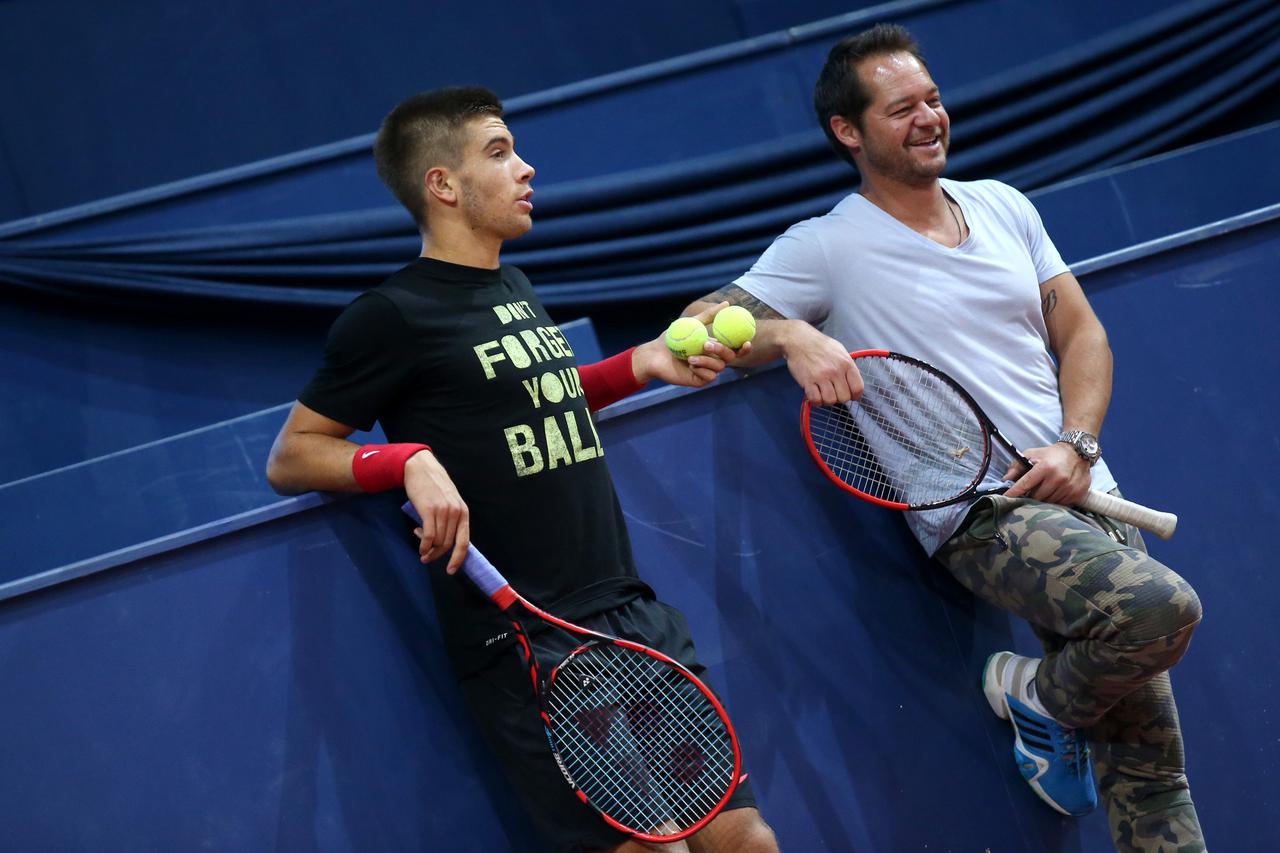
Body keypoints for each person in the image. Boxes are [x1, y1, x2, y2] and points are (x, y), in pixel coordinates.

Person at [684, 24, 1205, 852]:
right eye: (902, 110)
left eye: (932, 100)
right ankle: (1037, 695)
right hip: (982, 515)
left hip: (1080, 486)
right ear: (848, 133)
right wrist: (788, 338)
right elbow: (695, 326)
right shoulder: (824, 247)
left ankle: (1047, 702)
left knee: (1152, 767)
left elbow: (1083, 335)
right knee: (1160, 609)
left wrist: (1078, 443)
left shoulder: (1004, 205)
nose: (930, 118)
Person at [266, 87, 779, 853]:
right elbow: (293, 454)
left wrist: (635, 366)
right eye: (500, 152)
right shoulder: (390, 315)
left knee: (743, 838)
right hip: (528, 638)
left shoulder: (513, 287)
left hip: (630, 613)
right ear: (442, 184)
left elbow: (536, 400)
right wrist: (406, 460)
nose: (527, 168)